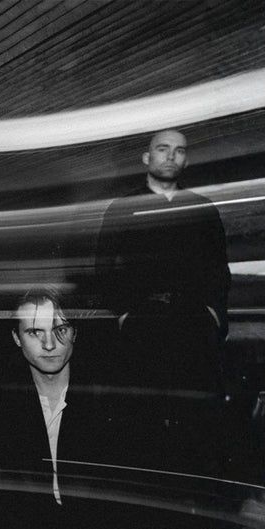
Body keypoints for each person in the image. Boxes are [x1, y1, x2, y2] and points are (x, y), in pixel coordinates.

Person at [95, 128, 230, 474]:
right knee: (144, 421)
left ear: (186, 160)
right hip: (143, 328)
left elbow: (219, 269)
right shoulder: (123, 208)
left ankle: (195, 491)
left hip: (193, 327)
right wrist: (123, 315)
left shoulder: (202, 207)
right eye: (162, 149)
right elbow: (103, 268)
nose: (171, 156)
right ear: (146, 157)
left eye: (179, 150)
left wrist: (214, 316)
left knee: (197, 421)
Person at [0, 286, 120, 529]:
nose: (49, 344)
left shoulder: (110, 400)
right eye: (35, 332)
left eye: (60, 330)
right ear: (16, 338)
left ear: (75, 333)